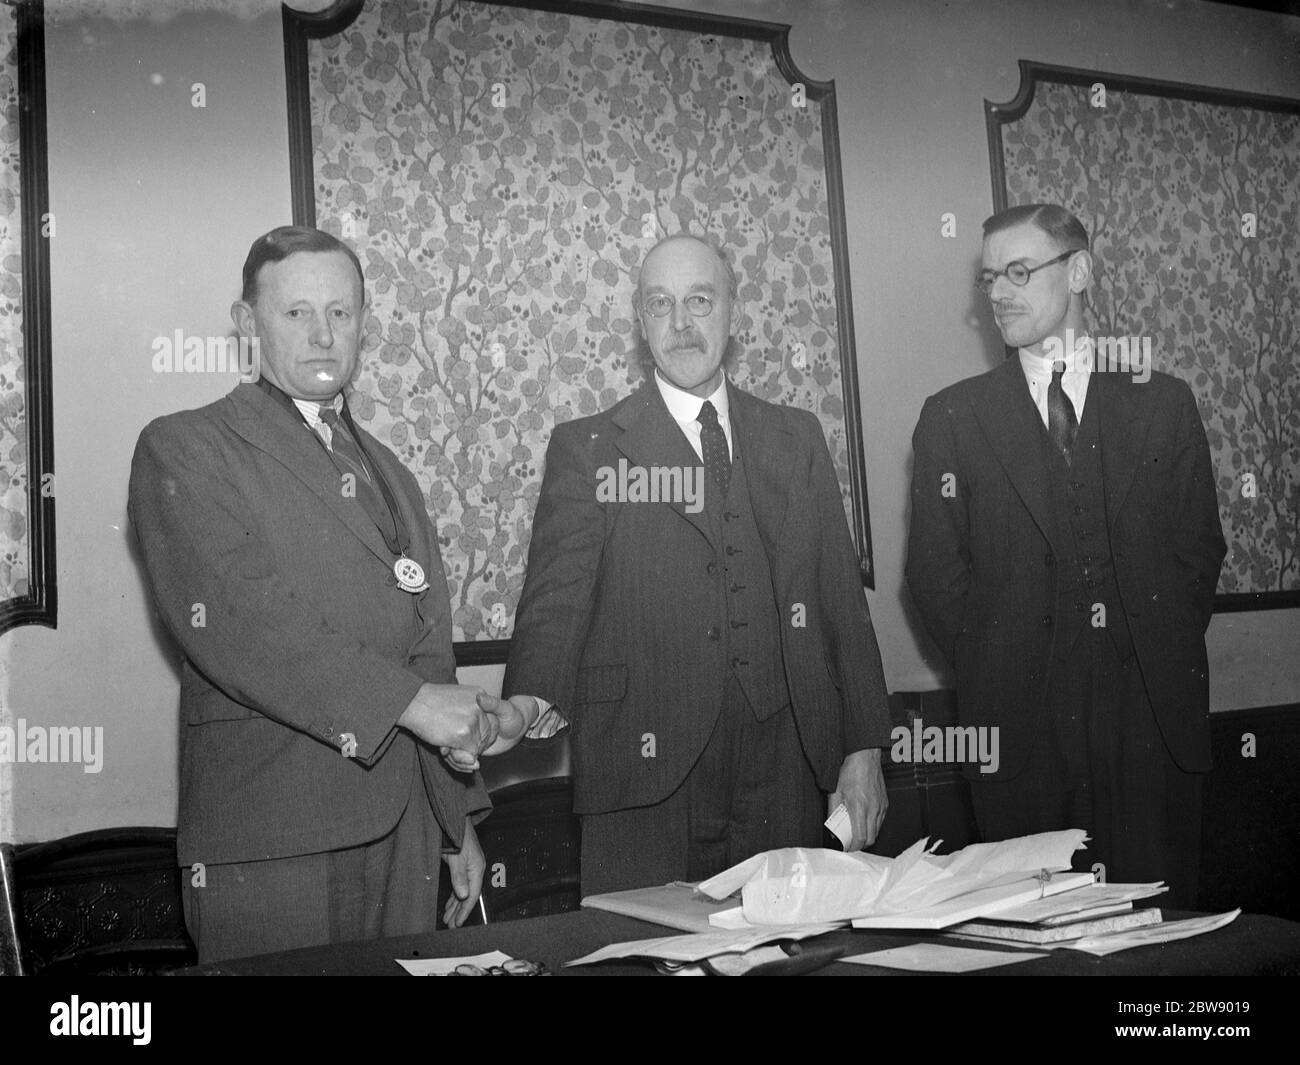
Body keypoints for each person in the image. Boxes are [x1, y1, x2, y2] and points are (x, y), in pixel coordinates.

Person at [129, 226, 521, 962]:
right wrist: (411, 705)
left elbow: (427, 648)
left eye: (341, 314)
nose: (321, 334)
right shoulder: (184, 446)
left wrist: (455, 820)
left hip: (405, 834)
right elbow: (242, 620)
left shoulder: (392, 472)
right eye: (296, 313)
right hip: (275, 837)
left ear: (363, 327)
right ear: (247, 325)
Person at [489, 233, 892, 894]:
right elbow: (558, 594)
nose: (680, 323)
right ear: (641, 324)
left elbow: (841, 604)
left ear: (733, 313)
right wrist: (529, 697)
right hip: (641, 772)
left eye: (699, 301)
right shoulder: (590, 447)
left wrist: (863, 746)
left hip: (785, 766)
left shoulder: (796, 437)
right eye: (660, 304)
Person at [905, 203, 1226, 907]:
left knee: (1158, 945)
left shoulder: (1164, 404)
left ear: (1079, 270)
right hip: (1019, 751)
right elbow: (932, 577)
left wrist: (1146, 656)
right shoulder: (953, 418)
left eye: (1019, 271)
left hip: (1152, 740)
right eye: (990, 277)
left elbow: (1198, 553)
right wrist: (1005, 665)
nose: (998, 293)